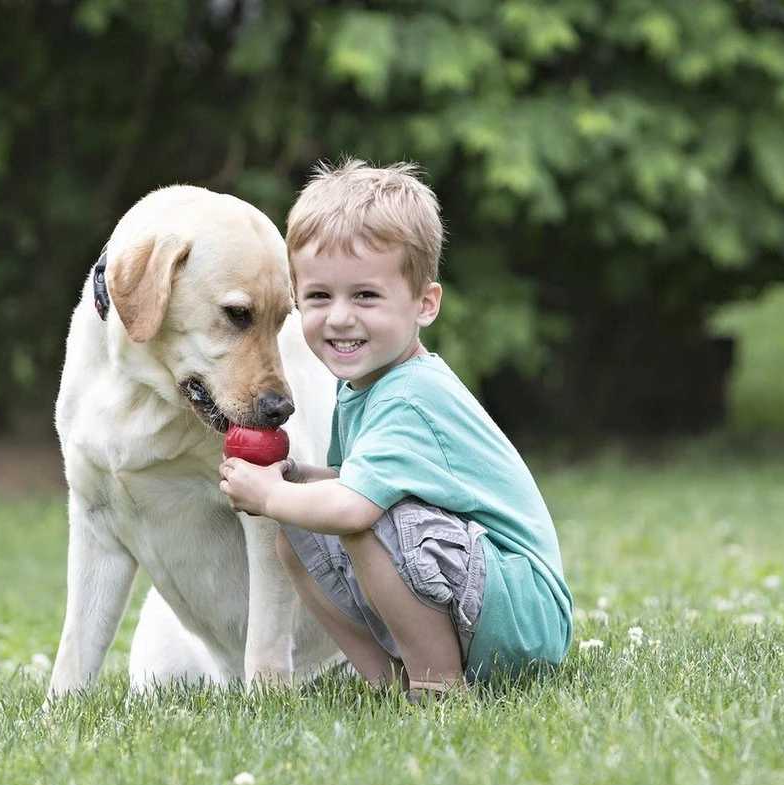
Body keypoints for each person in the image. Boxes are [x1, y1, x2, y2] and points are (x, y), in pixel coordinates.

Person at [218, 158, 572, 702]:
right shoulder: (362, 384)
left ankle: (436, 686)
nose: (339, 317)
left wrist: (270, 493)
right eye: (318, 296)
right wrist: (300, 479)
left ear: (424, 304)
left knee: (355, 517)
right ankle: (388, 682)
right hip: (477, 595)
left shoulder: (409, 395)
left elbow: (358, 507)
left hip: (521, 613)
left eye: (365, 296)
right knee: (296, 522)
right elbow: (355, 480)